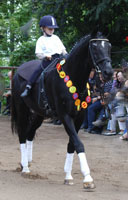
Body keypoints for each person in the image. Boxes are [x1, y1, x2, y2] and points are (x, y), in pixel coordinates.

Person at [21, 15, 67, 98]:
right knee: (37, 71)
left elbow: (63, 49)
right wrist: (46, 56)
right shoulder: (40, 40)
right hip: (48, 61)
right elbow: (38, 54)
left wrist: (66, 54)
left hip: (59, 59)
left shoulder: (56, 38)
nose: (52, 30)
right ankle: (28, 87)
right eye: (50, 28)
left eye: (53, 29)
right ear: (43, 28)